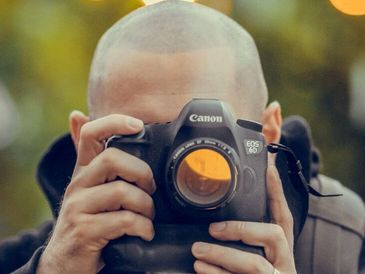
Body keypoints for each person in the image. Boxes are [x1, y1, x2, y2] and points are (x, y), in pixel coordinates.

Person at [0, 1, 364, 274]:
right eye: (144, 136)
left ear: (268, 131)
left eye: (206, 136)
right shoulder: (38, 257)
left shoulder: (342, 245)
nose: (183, 165)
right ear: (85, 138)